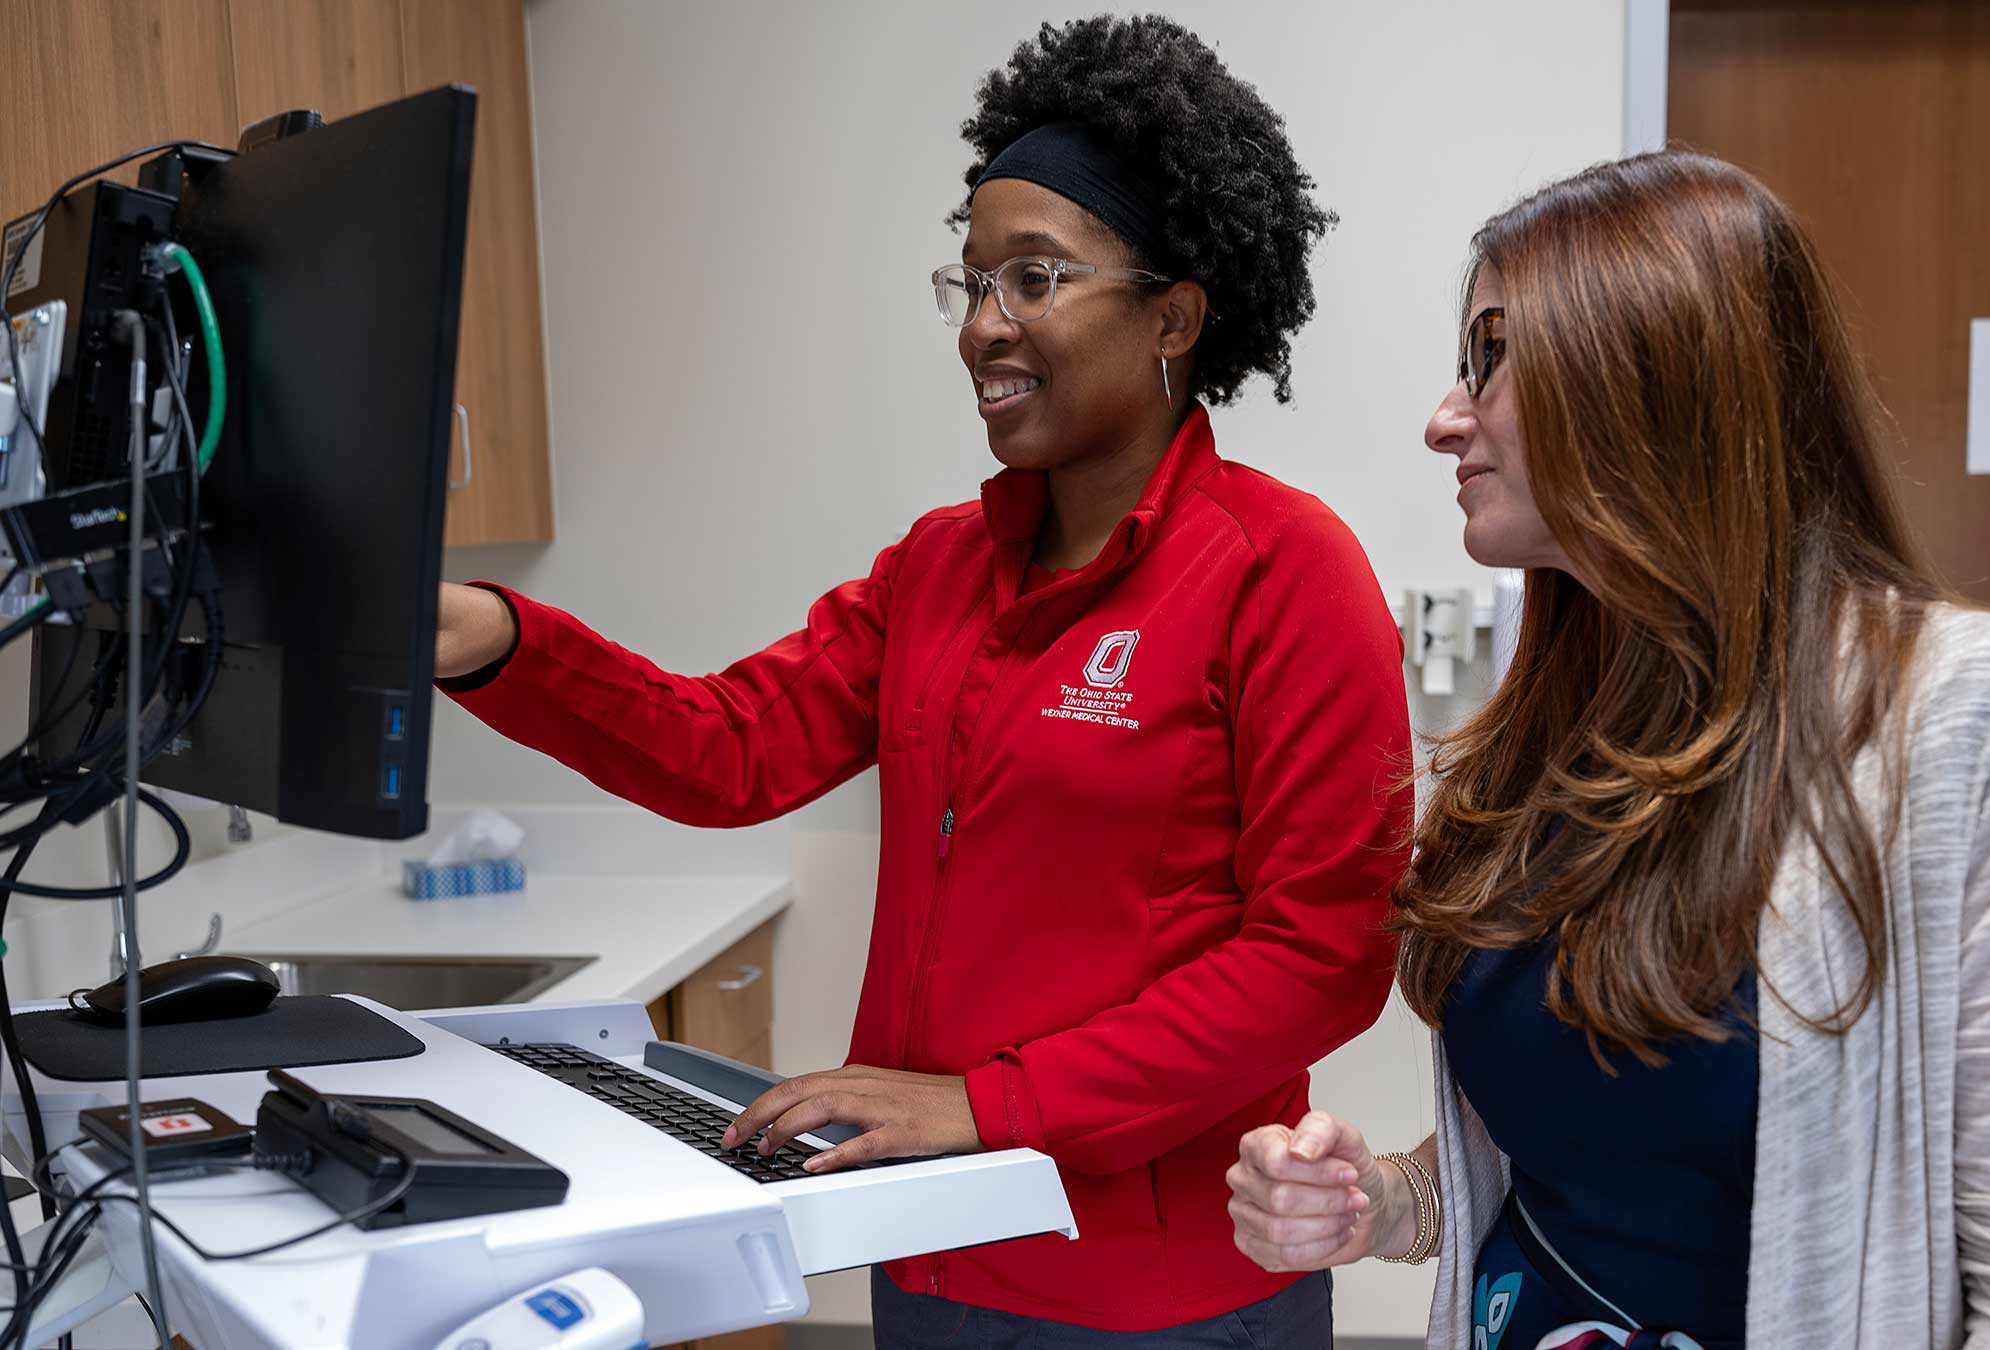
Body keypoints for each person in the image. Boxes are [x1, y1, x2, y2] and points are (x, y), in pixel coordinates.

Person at [436, 16, 1409, 1346]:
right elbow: (730, 749)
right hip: (930, 1250)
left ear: (1175, 311)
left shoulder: (1283, 571)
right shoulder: (942, 567)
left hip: (1158, 1295)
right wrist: (496, 638)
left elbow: (1320, 958)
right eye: (969, 283)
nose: (982, 328)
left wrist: (982, 1104)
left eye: (1035, 278)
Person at [1225, 151, 1990, 1349]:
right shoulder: (1537, 742)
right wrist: (1380, 1202)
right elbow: (1578, 1145)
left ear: (1652, 370)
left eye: (1495, 356)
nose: (1443, 417)